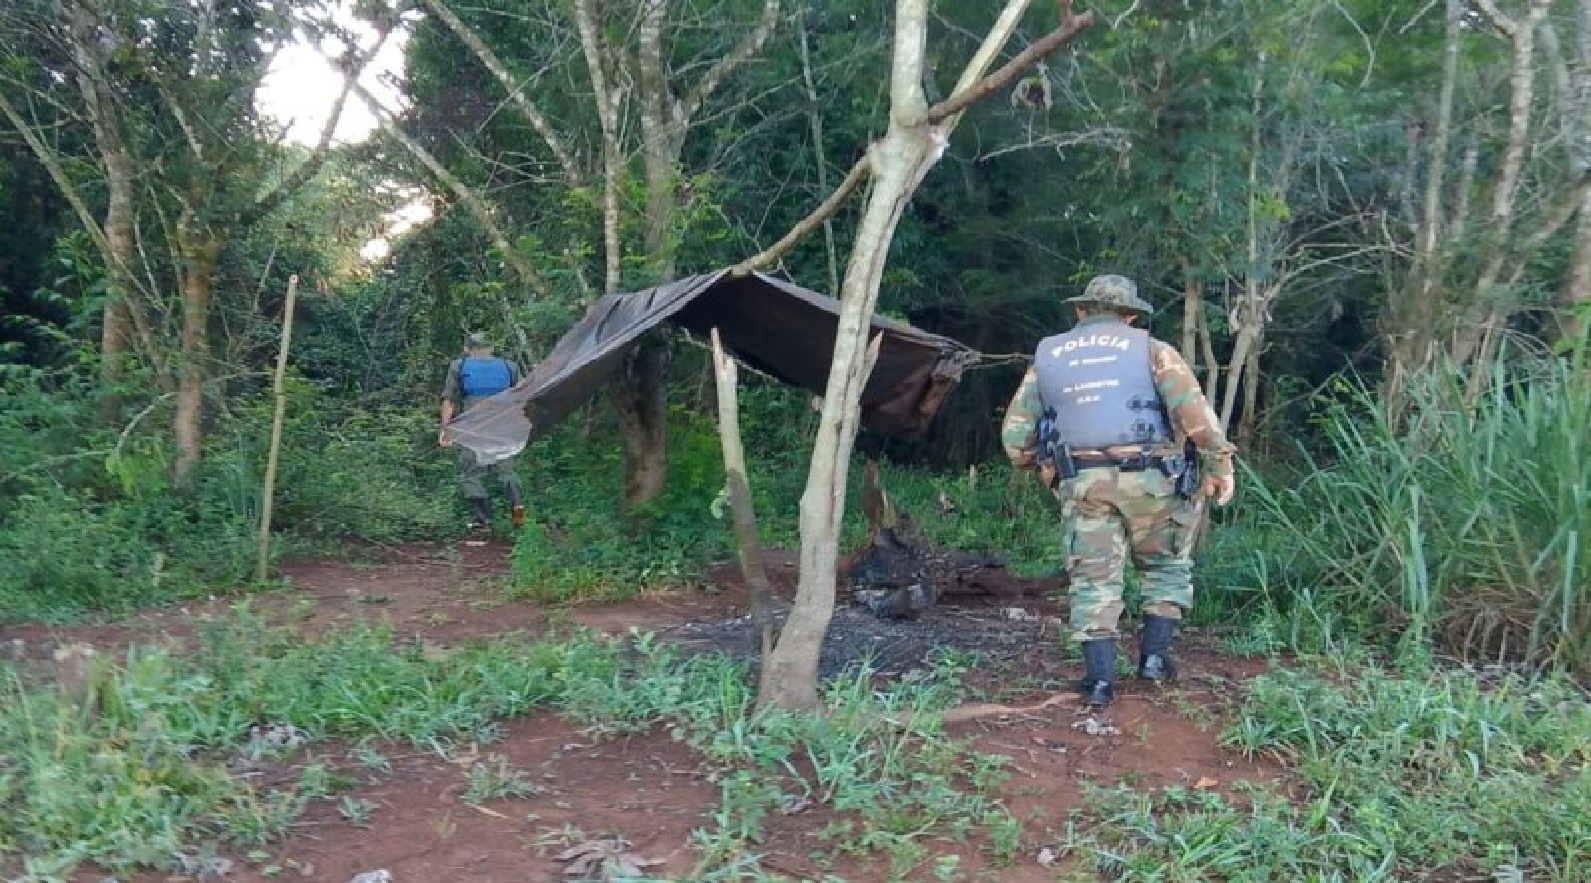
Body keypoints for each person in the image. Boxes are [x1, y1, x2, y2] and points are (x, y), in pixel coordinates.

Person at [1000, 274, 1236, 710]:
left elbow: (1015, 440)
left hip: (1084, 481)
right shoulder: (1153, 351)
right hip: (1154, 480)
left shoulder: (1047, 358)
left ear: (1080, 311)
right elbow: (1195, 415)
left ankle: (1099, 683)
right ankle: (1153, 662)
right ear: (1130, 315)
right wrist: (1219, 463)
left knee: (1094, 578)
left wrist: (1049, 469)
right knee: (1165, 565)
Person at [438, 332, 526, 531]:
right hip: (503, 428)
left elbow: (449, 400)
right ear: (492, 348)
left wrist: (446, 429)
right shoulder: (509, 366)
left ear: (467, 349)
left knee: (472, 474)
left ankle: (482, 520)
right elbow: (522, 397)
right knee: (508, 472)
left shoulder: (459, 366)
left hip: (473, 428)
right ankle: (519, 519)